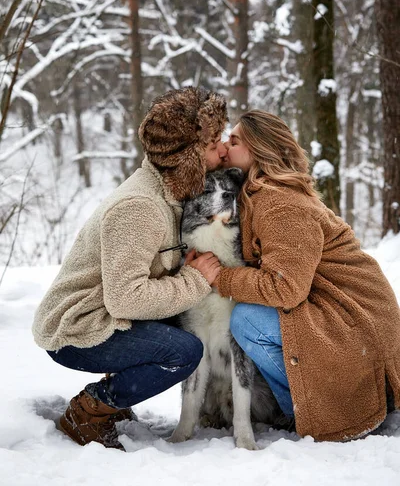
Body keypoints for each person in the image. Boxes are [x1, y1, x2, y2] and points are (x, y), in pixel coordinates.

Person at [32, 87, 228, 450]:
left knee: (186, 324)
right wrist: (196, 279)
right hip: (78, 328)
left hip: (108, 313)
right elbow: (126, 299)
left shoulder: (171, 190)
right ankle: (89, 410)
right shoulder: (140, 207)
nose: (223, 148)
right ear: (188, 154)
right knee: (184, 352)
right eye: (214, 140)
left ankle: (113, 400)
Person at [216, 109, 400, 442]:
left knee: (246, 320)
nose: (225, 147)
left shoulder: (279, 202)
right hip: (345, 316)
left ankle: (316, 410)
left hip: (355, 324)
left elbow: (285, 289)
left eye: (235, 140)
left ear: (259, 149)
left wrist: (220, 277)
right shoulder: (262, 194)